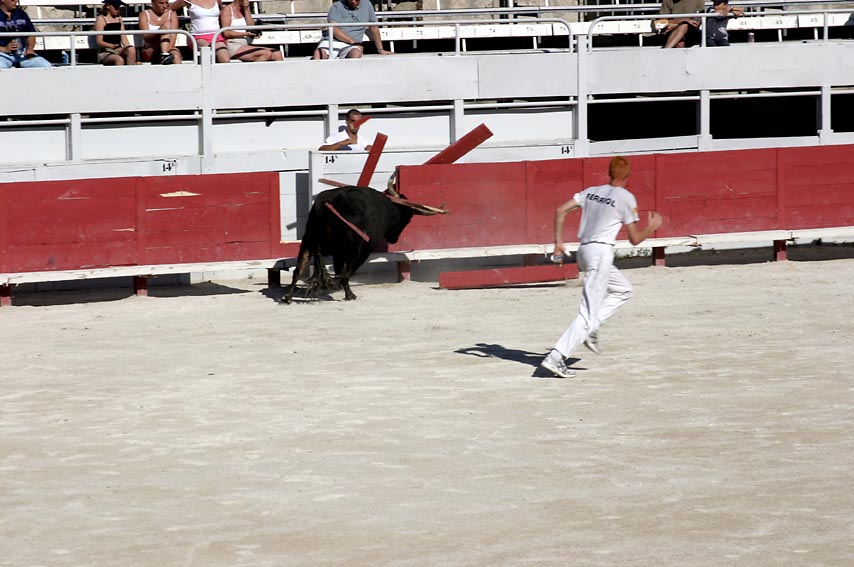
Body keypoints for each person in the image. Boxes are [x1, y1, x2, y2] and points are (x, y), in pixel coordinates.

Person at [539, 156, 663, 379]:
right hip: (601, 254)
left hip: (584, 252)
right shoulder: (626, 197)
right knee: (587, 313)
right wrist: (651, 227)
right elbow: (635, 239)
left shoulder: (592, 191)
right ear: (628, 176)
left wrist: (558, 242)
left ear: (608, 172)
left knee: (624, 289)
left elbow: (560, 210)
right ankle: (556, 358)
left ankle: (591, 326)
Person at [312, 0, 392, 60]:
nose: (353, 2)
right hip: (333, 41)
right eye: (351, 0)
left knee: (356, 53)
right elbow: (334, 29)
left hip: (351, 46)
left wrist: (380, 49)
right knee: (318, 53)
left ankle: (348, 79)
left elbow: (374, 27)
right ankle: (316, 78)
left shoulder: (367, 4)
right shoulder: (336, 6)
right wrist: (352, 41)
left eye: (356, 0)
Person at [0, 0, 51, 69]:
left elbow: (31, 34)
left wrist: (30, 49)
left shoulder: (21, 13)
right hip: (2, 55)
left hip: (23, 53)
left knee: (45, 66)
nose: (16, 1)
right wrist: (4, 49)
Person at [139, 0, 183, 65]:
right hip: (151, 48)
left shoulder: (172, 14)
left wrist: (167, 49)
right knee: (165, 28)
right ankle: (164, 55)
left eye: (166, 3)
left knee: (176, 57)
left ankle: (165, 55)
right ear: (153, 3)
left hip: (169, 47)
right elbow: (146, 37)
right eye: (161, 3)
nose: (165, 6)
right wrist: (159, 32)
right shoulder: (144, 14)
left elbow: (173, 37)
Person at [94, 0, 137, 65]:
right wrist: (111, 46)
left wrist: (128, 49)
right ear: (108, 6)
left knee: (131, 49)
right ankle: (120, 75)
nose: (118, 10)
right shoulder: (101, 19)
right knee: (119, 60)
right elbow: (99, 41)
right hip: (106, 52)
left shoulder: (119, 18)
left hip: (117, 49)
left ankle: (131, 72)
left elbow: (124, 38)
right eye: (116, 7)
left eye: (119, 8)